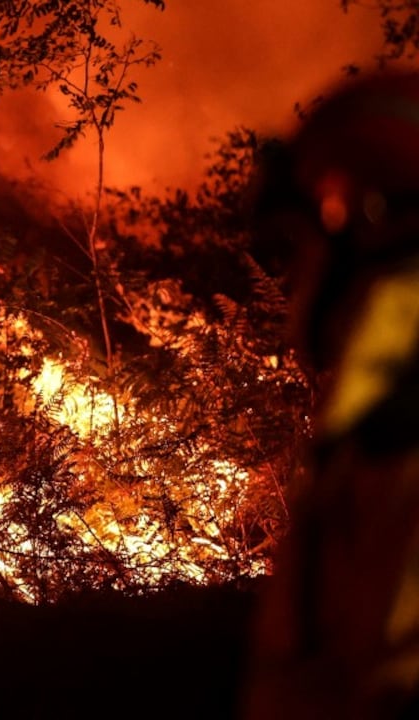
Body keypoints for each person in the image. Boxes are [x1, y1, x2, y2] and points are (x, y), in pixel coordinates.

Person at [245, 71, 419, 718]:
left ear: (367, 223)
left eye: (307, 241)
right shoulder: (379, 421)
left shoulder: (400, 441)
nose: (297, 276)